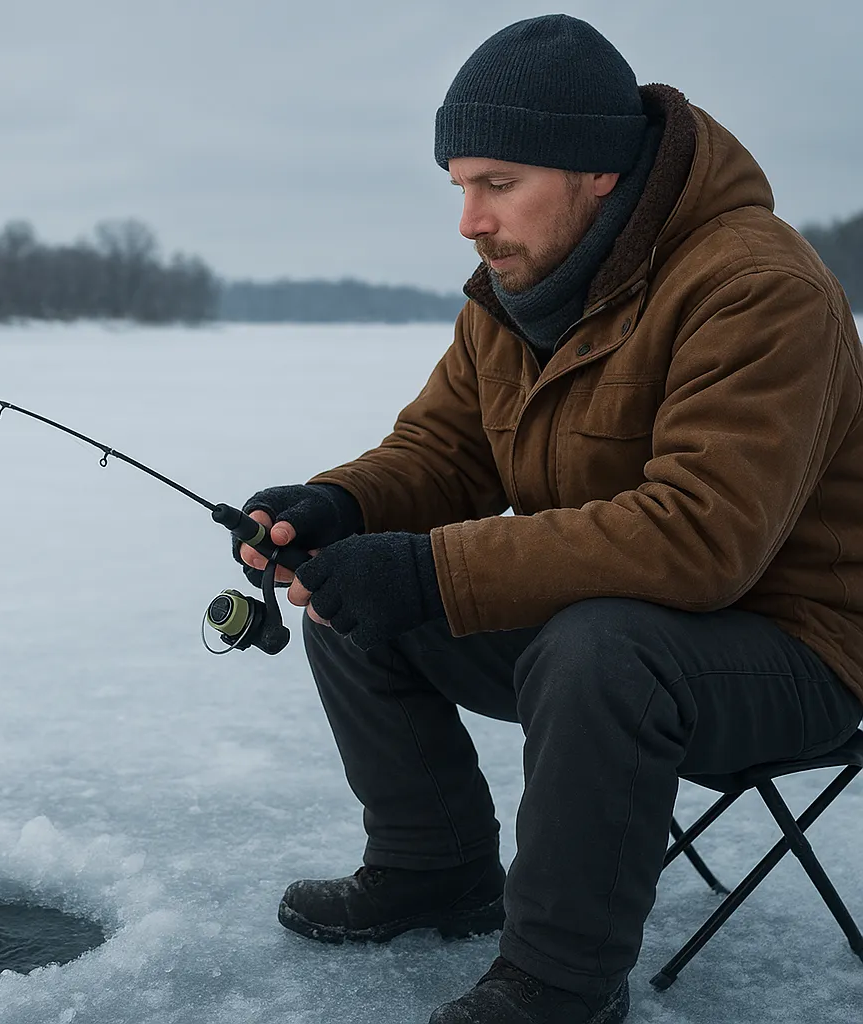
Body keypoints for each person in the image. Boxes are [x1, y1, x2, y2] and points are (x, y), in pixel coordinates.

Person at [234, 14, 863, 1024]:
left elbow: (700, 538)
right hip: (618, 626)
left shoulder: (755, 285)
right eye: (460, 188)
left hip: (797, 649)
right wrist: (336, 505)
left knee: (597, 646)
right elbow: (443, 453)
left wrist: (430, 568)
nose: (469, 221)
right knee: (352, 587)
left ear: (596, 171)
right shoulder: (515, 294)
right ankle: (433, 870)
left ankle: (559, 984)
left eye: (497, 182)